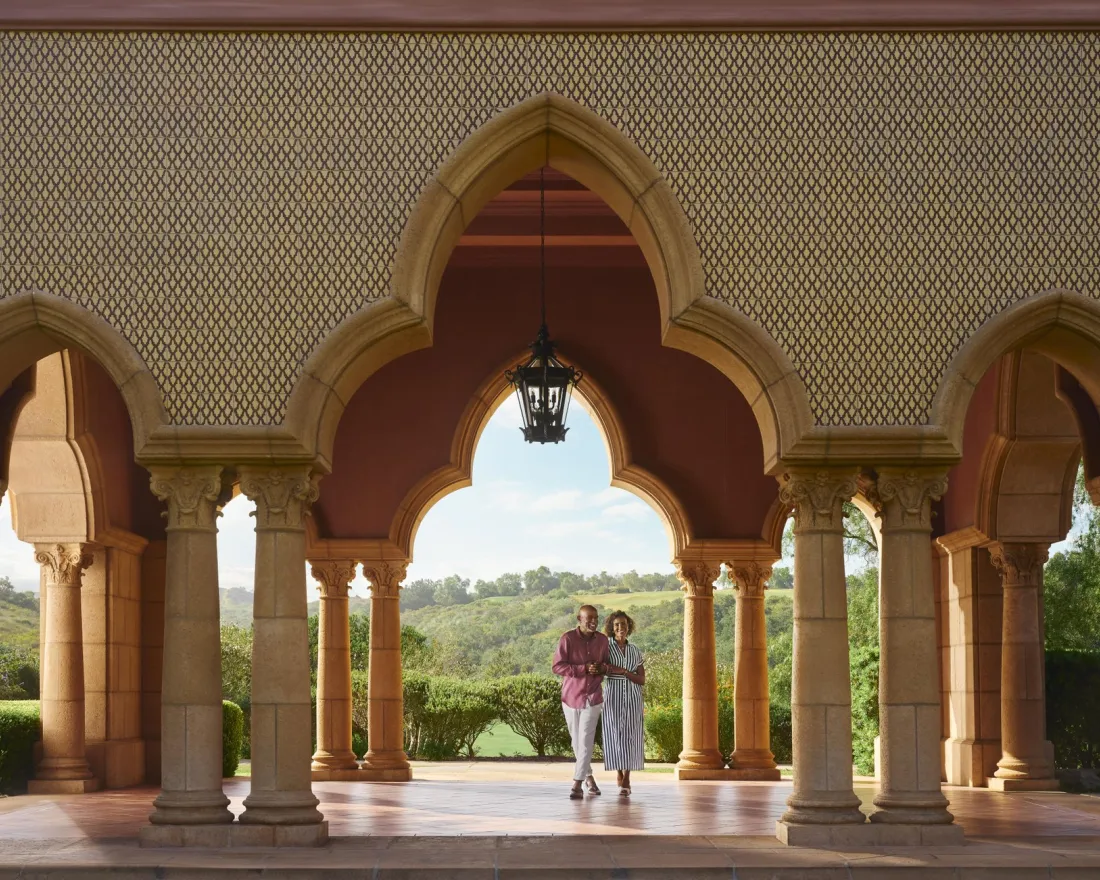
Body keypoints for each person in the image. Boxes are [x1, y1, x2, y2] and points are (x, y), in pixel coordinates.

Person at [551, 604, 610, 799]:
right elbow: (557, 667)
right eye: (589, 618)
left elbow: (608, 664)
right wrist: (582, 669)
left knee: (585, 740)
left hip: (593, 697)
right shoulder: (567, 639)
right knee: (577, 742)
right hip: (570, 697)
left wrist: (600, 668)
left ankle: (576, 784)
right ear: (579, 619)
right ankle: (590, 779)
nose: (593, 621)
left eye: (596, 618)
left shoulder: (603, 640)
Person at [601, 610, 646, 796]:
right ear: (612, 627)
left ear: (629, 627)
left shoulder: (635, 650)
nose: (621, 628)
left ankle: (627, 777)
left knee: (631, 735)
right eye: (617, 625)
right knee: (614, 734)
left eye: (624, 624)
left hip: (633, 696)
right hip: (613, 695)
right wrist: (615, 670)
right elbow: (601, 668)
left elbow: (641, 679)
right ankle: (618, 772)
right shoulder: (606, 647)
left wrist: (625, 672)